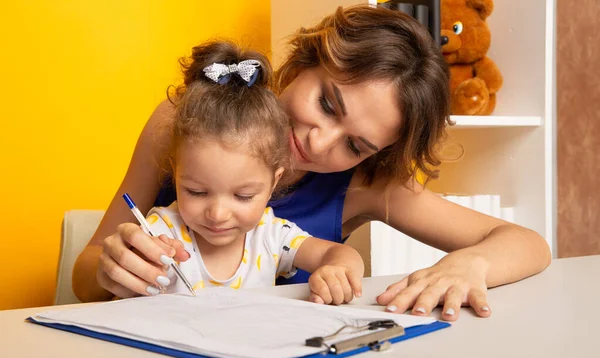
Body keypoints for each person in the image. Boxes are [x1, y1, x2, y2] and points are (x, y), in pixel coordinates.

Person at [72, 5, 551, 320]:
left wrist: (470, 265)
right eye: (326, 104)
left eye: (356, 145)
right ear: (303, 63)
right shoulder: (186, 122)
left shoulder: (367, 185)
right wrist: (106, 269)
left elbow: (528, 244)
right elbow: (84, 273)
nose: (321, 145)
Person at [111, 41, 364, 303]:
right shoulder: (162, 231)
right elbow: (118, 291)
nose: (218, 214)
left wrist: (339, 271)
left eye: (243, 196)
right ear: (175, 173)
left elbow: (337, 254)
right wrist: (139, 269)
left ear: (272, 183)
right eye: (196, 191)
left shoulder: (271, 235)